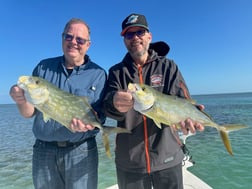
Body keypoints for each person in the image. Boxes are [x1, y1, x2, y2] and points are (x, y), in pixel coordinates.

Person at [103, 13, 204, 189]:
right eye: (129, 34)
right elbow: (106, 108)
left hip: (168, 158)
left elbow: (184, 101)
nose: (135, 38)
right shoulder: (116, 72)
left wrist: (190, 117)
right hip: (130, 163)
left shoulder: (169, 66)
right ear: (124, 40)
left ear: (149, 36)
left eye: (140, 32)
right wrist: (113, 101)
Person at [9, 18, 107, 189]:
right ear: (62, 38)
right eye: (68, 37)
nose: (73, 42)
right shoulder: (43, 67)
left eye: (80, 40)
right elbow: (28, 113)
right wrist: (20, 100)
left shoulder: (98, 74)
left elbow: (99, 116)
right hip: (43, 152)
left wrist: (89, 126)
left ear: (88, 45)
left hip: (81, 151)